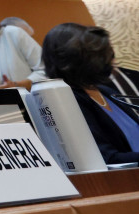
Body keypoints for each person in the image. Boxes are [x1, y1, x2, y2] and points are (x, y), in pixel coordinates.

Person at [41, 23, 139, 164]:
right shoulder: (71, 101)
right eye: (99, 56)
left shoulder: (107, 91)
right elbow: (108, 158)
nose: (110, 60)